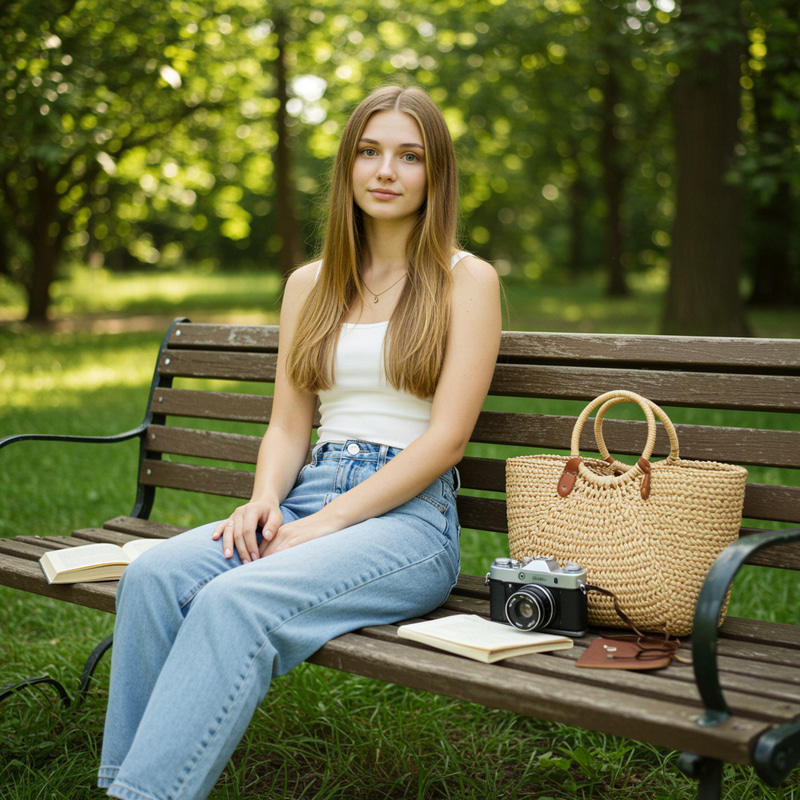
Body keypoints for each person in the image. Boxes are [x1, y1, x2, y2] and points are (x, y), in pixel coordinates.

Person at [97, 84, 502, 800]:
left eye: (409, 156)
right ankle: (124, 784)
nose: (386, 170)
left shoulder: (465, 280)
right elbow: (288, 425)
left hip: (409, 521)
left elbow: (446, 441)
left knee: (234, 601)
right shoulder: (309, 285)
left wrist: (325, 524)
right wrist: (264, 500)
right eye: (369, 151)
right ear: (348, 165)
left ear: (435, 174)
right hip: (312, 490)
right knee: (153, 576)